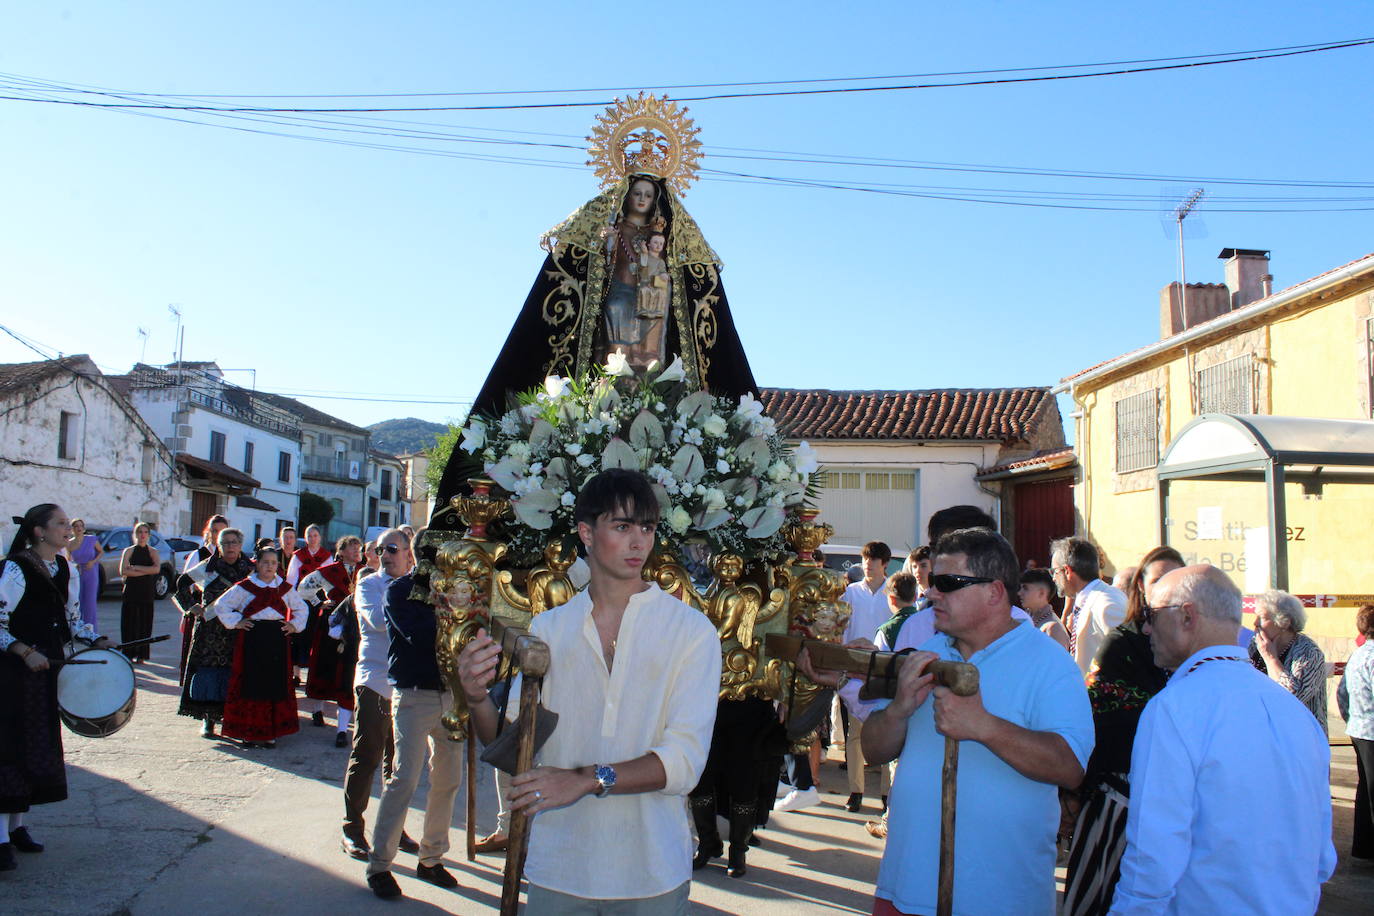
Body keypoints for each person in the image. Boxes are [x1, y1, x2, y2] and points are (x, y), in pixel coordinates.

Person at [457, 469, 721, 911]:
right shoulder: (549, 628)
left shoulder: (691, 632)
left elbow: (684, 761)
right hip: (559, 867)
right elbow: (511, 747)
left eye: (648, 528)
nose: (639, 542)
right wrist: (476, 696)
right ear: (586, 532)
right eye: (622, 526)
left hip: (652, 871)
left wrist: (584, 779)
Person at [854, 527, 1092, 915]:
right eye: (932, 582)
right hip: (905, 886)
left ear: (994, 592)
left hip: (999, 897)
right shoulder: (928, 654)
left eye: (947, 583)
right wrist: (898, 710)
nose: (931, 592)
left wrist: (984, 726)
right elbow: (875, 749)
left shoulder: (1050, 665)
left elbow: (1071, 767)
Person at [1110, 565, 1335, 914]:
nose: (1146, 627)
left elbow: (1154, 854)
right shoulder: (1294, 712)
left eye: (1152, 614)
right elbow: (1321, 856)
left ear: (1187, 616)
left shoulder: (1174, 708)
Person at [1062, 546, 1180, 916]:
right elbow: (1097, 720)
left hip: (1175, 804)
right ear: (1141, 590)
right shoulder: (1122, 646)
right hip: (1116, 803)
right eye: (1159, 580)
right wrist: (1074, 793)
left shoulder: (1196, 651)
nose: (1170, 588)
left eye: (1177, 579)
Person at [0, 503, 116, 871]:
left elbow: (70, 620)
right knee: (9, 749)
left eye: (69, 523)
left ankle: (17, 828)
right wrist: (22, 649)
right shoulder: (16, 569)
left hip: (46, 671)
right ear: (39, 531)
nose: (69, 529)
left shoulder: (64, 566)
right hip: (12, 673)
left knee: (34, 747)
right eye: (61, 524)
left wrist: (93, 639)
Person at [362, 527, 468, 899]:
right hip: (413, 694)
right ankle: (380, 865)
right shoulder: (399, 590)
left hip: (450, 696)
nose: (439, 559)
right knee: (404, 779)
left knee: (448, 779)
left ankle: (431, 857)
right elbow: (422, 634)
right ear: (418, 555)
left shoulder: (456, 591)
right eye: (432, 553)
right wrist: (454, 611)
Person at [339, 527, 417, 862]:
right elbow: (377, 621)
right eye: (382, 548)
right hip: (373, 680)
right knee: (367, 756)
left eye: (393, 549)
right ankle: (352, 829)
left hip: (405, 685)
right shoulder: (369, 583)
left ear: (408, 554)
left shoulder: (416, 584)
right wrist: (407, 595)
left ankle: (392, 828)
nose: (385, 555)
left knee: (398, 766)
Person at [211, 542, 308, 748]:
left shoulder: (284, 588)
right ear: (257, 564)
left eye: (273, 563)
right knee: (251, 684)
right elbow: (221, 605)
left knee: (273, 684)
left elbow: (301, 608)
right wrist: (237, 621)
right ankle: (248, 731)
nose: (270, 566)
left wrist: (294, 625)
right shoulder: (245, 587)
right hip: (252, 640)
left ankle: (270, 733)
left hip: (277, 640)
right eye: (265, 563)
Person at [179, 528, 254, 738]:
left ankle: (232, 719)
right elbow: (181, 584)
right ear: (219, 546)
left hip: (239, 629)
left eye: (234, 542)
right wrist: (192, 606)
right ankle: (208, 719)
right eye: (225, 543)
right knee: (209, 672)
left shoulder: (250, 569)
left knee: (235, 672)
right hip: (210, 630)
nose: (230, 547)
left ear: (240, 545)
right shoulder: (208, 567)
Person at [839, 540, 893, 812]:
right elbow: (841, 626)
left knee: (886, 729)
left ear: (885, 564)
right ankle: (855, 791)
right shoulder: (850, 592)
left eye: (873, 560)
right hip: (856, 668)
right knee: (855, 733)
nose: (868, 565)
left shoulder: (892, 592)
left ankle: (886, 793)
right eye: (865, 559)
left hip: (884, 668)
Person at [298, 535, 364, 744]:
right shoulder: (331, 571)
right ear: (342, 551)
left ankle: (343, 722)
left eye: (358, 548)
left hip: (354, 624)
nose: (356, 552)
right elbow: (304, 587)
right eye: (352, 548)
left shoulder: (364, 570)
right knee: (324, 664)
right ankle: (318, 709)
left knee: (346, 669)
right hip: (332, 621)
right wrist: (319, 602)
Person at [1248, 589, 1328, 733]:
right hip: (1262, 735)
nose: (1255, 623)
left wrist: (1270, 658)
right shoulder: (1254, 646)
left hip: (1299, 739)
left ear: (1284, 622)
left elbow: (1291, 700)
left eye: (1262, 618)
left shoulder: (1309, 653)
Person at [1051, 537, 1127, 676]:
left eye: (1055, 571)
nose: (1053, 578)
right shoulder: (1090, 599)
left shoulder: (1107, 603)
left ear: (1067, 571)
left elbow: (1126, 655)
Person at [1337, 604, 1374, 860]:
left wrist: (1351, 719)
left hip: (1358, 729)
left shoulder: (1358, 654)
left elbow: (1342, 693)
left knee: (1365, 788)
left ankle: (1363, 846)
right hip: (1371, 731)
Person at [178, 515, 228, 680]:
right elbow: (184, 584)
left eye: (222, 531)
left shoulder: (232, 557)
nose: (218, 535)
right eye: (215, 531)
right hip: (203, 612)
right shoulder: (199, 555)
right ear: (209, 532)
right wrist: (191, 606)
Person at [117, 522, 160, 663]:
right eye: (139, 532)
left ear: (148, 535)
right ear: (135, 535)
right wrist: (144, 571)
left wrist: (136, 568)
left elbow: (156, 569)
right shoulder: (128, 551)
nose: (142, 535)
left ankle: (142, 655)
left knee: (144, 623)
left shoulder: (153, 551)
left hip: (146, 592)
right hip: (131, 591)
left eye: (145, 532)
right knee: (129, 622)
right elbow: (123, 571)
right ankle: (128, 653)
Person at [1018, 568, 1070, 650]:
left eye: (1025, 588)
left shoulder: (1053, 629)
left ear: (1041, 593)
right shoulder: (1024, 619)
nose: (1019, 593)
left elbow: (1057, 662)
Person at [67, 518, 103, 629]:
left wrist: (93, 561)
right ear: (72, 529)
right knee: (77, 600)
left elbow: (101, 552)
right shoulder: (68, 544)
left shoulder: (91, 539)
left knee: (90, 601)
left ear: (83, 528)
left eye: (80, 526)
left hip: (91, 572)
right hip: (77, 573)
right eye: (76, 526)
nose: (78, 528)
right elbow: (67, 559)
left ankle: (91, 627)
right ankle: (78, 627)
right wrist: (74, 565)